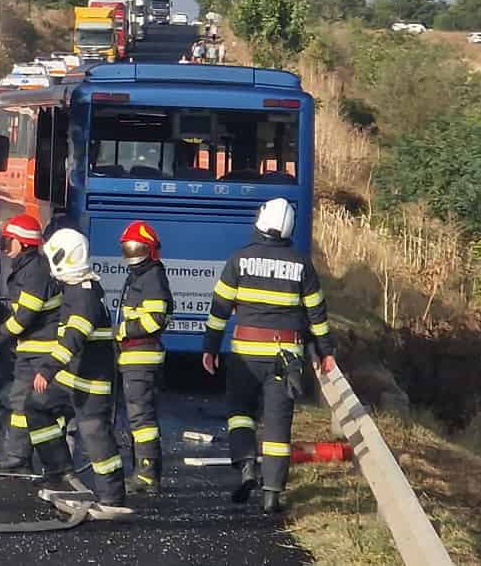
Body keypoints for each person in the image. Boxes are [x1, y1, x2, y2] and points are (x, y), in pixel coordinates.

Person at [201, 198, 337, 515]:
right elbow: (317, 314)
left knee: (240, 413)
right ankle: (272, 494)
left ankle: (247, 466)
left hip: (245, 354)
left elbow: (219, 310)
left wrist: (210, 347)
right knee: (277, 424)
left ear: (260, 222)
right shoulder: (302, 265)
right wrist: (325, 351)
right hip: (285, 356)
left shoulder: (239, 260)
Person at [30, 228, 130, 517]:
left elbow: (75, 335)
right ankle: (59, 474)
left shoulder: (84, 295)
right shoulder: (75, 288)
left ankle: (112, 498)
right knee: (36, 406)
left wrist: (48, 369)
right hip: (71, 379)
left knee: (94, 435)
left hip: (90, 384)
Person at [0, 213, 64, 473]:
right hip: (32, 349)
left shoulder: (35, 271)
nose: (5, 247)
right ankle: (19, 457)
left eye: (9, 241)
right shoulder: (28, 268)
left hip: (42, 350)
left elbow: (24, 316)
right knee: (20, 403)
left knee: (29, 403)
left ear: (23, 243)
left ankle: (31, 460)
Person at [115, 221, 174, 494]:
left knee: (142, 419)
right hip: (133, 356)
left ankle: (147, 476)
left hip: (142, 356)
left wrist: (123, 330)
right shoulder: (142, 275)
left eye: (136, 248)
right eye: (128, 249)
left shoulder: (151, 277)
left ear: (151, 251)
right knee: (138, 418)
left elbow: (155, 320)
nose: (132, 254)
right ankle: (144, 472)